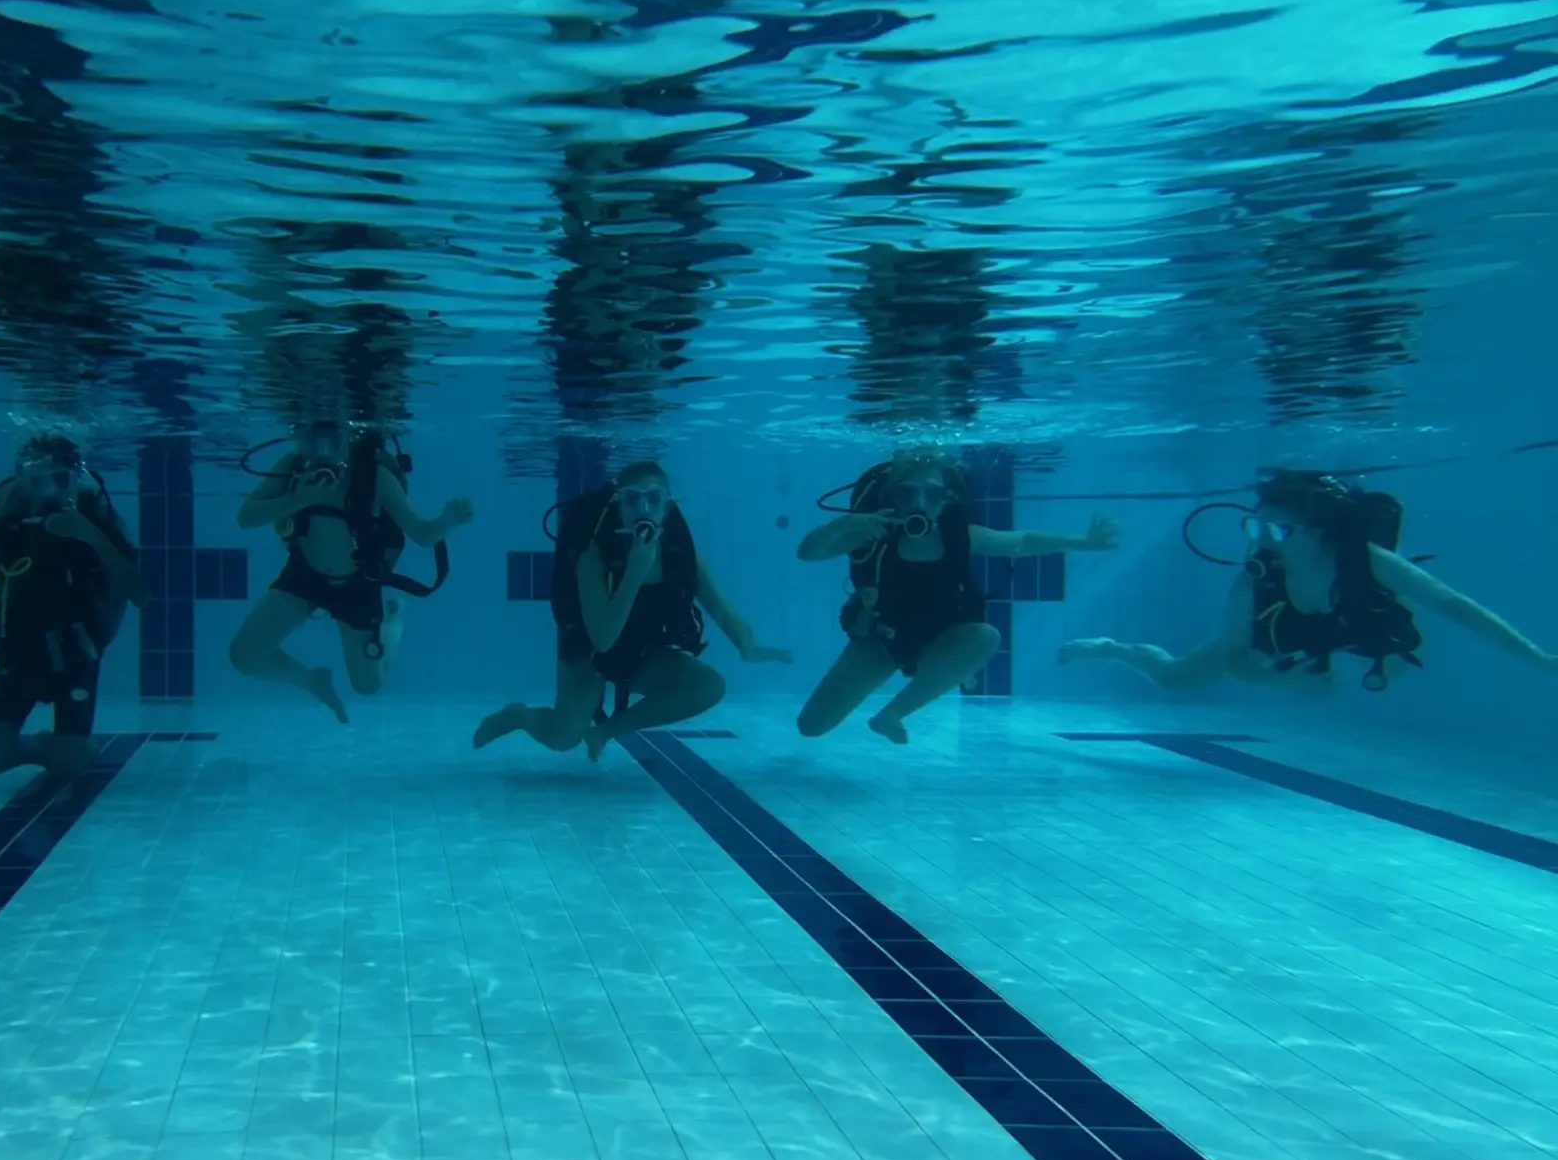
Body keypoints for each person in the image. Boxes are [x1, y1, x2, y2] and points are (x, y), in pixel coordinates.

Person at [1060, 468, 1557, 691]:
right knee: (1176, 679)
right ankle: (1113, 648)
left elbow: (1456, 607)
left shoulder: (1365, 560)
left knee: (1396, 647)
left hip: (1354, 624)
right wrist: (1284, 683)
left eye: (1276, 529)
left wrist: (1537, 658)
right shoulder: (1255, 580)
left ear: (1317, 531)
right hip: (1285, 633)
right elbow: (1235, 655)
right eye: (1253, 527)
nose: (1262, 541)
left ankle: (1381, 666)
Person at [795, 447, 1119, 743]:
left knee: (985, 636)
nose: (919, 504)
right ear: (894, 497)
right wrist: (845, 525)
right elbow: (807, 553)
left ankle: (891, 714)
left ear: (947, 498)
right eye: (909, 493)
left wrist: (1084, 542)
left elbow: (1024, 541)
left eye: (932, 494)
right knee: (811, 726)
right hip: (882, 639)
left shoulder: (962, 536)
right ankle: (956, 675)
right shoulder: (872, 535)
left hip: (942, 641)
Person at [474, 461, 791, 760]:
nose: (643, 509)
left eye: (653, 499)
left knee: (710, 686)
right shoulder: (594, 560)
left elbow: (722, 611)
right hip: (589, 655)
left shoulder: (680, 556)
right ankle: (519, 716)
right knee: (563, 737)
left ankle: (605, 732)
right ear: (618, 508)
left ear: (666, 507)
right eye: (632, 500)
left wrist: (746, 644)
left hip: (643, 654)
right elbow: (603, 641)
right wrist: (634, 575)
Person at [0, 435, 147, 779]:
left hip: (77, 660)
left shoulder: (96, 523)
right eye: (37, 480)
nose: (49, 490)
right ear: (21, 480)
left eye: (59, 479)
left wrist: (90, 535)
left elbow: (140, 594)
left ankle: (68, 749)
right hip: (18, 659)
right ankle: (51, 747)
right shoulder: (7, 529)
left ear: (77, 478)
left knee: (74, 766)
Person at [229, 420, 474, 721]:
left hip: (357, 582)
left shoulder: (375, 476)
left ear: (350, 438)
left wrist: (448, 521)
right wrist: (299, 499)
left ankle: (391, 625)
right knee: (245, 656)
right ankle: (311, 681)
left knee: (367, 686)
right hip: (305, 575)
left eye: (331, 440)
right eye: (310, 440)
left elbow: (421, 533)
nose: (321, 452)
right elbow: (246, 517)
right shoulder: (293, 466)